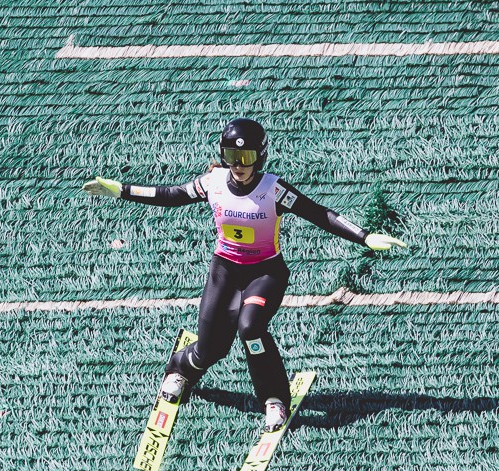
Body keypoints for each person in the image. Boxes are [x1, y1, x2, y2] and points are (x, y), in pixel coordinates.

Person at [83, 118, 406, 432]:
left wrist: (364, 236)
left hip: (264, 273)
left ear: (259, 157)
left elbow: (318, 213)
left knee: (250, 328)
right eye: (232, 156)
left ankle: (274, 399)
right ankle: (181, 368)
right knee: (211, 349)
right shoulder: (213, 182)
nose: (238, 165)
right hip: (224, 271)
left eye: (246, 157)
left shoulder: (273, 189)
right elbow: (171, 195)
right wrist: (120, 189)